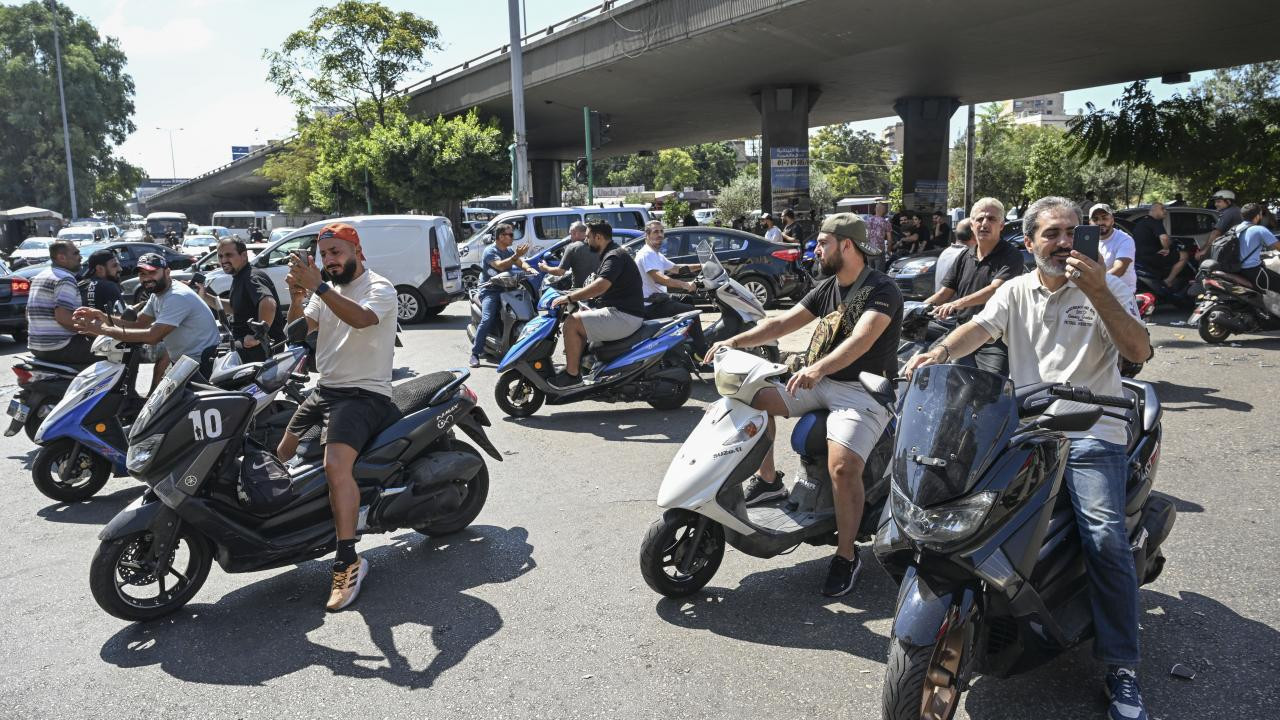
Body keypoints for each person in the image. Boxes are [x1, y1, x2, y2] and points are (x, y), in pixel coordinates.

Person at [905, 195, 1154, 720]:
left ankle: (1122, 666)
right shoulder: (1015, 290)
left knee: (1104, 537)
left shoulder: (1105, 288)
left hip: (1092, 429)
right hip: (1025, 425)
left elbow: (1138, 351)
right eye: (1052, 234)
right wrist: (940, 352)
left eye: (1072, 232)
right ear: (1031, 241)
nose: (1064, 243)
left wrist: (1098, 290)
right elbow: (980, 329)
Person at [704, 213, 902, 597]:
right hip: (819, 381)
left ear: (847, 245)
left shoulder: (882, 289)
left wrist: (818, 368)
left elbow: (862, 339)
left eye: (823, 243)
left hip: (862, 390)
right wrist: (734, 341)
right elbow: (781, 324)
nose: (816, 250)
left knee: (843, 467)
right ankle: (767, 481)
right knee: (750, 397)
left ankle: (846, 555)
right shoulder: (827, 288)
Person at [275, 222, 400, 612]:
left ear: (356, 251)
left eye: (336, 252)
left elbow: (362, 319)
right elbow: (298, 331)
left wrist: (318, 287)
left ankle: (348, 560)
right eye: (324, 254)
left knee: (335, 466)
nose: (329, 260)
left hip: (364, 394)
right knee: (282, 454)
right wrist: (297, 295)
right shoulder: (326, 289)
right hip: (326, 389)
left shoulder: (379, 287)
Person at [72, 253, 221, 381]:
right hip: (185, 362)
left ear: (167, 272)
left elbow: (152, 337)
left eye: (152, 272)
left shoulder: (176, 296)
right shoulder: (158, 294)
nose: (147, 278)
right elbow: (138, 323)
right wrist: (101, 315)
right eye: (142, 274)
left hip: (200, 364)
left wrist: (103, 330)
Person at [922, 197, 1025, 375]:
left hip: (994, 338)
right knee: (934, 372)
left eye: (991, 219)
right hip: (962, 332)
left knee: (992, 386)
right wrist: (917, 308)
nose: (984, 223)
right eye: (980, 219)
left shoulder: (1012, 255)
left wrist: (957, 303)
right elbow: (945, 292)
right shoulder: (964, 256)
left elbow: (995, 290)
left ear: (1001, 225)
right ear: (972, 225)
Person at [548, 221, 645, 387]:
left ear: (598, 237)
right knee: (580, 318)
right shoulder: (611, 253)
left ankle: (572, 375)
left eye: (588, 237)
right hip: (621, 312)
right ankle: (582, 367)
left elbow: (600, 286)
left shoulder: (614, 256)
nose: (586, 241)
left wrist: (569, 298)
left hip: (624, 316)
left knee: (571, 323)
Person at [198, 238, 284, 362]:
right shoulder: (240, 276)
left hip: (261, 348)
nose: (223, 260)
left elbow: (268, 303)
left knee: (208, 356)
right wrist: (204, 295)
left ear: (244, 255)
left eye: (229, 255)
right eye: (220, 256)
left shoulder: (251, 277)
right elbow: (235, 308)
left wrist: (258, 337)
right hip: (243, 340)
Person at [635, 220, 708, 361]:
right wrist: (685, 285)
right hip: (651, 305)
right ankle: (702, 353)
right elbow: (659, 278)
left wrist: (702, 265)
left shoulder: (655, 254)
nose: (660, 235)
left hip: (659, 298)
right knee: (692, 313)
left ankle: (686, 341)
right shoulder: (647, 254)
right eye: (656, 232)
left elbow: (676, 268)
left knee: (687, 299)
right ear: (647, 235)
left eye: (662, 231)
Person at [469, 223, 534, 367]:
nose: (512, 237)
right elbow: (500, 265)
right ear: (500, 236)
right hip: (490, 290)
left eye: (512, 234)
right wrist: (516, 255)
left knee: (528, 311)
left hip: (508, 289)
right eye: (510, 235)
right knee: (487, 319)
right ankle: (475, 353)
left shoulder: (509, 250)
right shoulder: (490, 251)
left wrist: (529, 269)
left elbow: (520, 263)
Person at [26, 240, 95, 365]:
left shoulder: (40, 276)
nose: (80, 257)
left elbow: (27, 314)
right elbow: (63, 317)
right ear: (61, 257)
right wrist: (96, 330)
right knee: (115, 353)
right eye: (76, 253)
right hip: (60, 346)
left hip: (36, 347)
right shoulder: (65, 279)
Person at [1131, 203, 1188, 289]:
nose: (1165, 211)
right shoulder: (1154, 222)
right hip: (1152, 258)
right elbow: (1164, 238)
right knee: (1184, 255)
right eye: (1162, 209)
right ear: (1154, 210)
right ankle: (1168, 281)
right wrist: (1166, 249)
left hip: (1139, 259)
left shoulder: (1141, 223)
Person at [1090, 204, 1137, 295]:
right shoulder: (1089, 240)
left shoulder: (1124, 240)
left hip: (1122, 295)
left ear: (1112, 220)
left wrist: (1094, 283)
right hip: (1099, 293)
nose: (1100, 222)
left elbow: (1119, 269)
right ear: (1090, 223)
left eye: (1104, 218)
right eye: (1095, 219)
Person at [538, 221, 599, 289]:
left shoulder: (572, 247)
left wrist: (544, 267)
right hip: (599, 289)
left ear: (576, 233)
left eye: (570, 234)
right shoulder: (599, 245)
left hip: (580, 291)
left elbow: (560, 272)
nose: (570, 237)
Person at [1236, 203, 1280, 292]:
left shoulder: (1236, 228)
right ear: (1257, 216)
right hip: (1253, 271)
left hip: (1237, 269)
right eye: (1261, 214)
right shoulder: (1259, 229)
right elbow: (1278, 246)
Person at [933, 218, 974, 294]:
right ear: (974, 234)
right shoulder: (967, 256)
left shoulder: (946, 252)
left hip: (941, 300)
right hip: (956, 301)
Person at [78, 249, 123, 315]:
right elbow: (124, 319)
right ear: (99, 268)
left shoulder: (80, 286)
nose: (120, 269)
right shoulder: (110, 286)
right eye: (115, 265)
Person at [1201, 189, 1242, 259]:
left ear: (1228, 202)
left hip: (1230, 250)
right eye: (1215, 202)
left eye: (1219, 202)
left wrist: (1204, 251)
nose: (1216, 204)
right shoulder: (1236, 210)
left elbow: (1216, 233)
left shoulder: (1228, 213)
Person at [866, 203, 892, 270]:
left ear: (875, 209)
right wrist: (889, 250)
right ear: (884, 211)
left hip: (869, 250)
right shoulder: (885, 222)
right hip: (879, 250)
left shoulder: (867, 220)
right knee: (879, 273)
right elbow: (889, 238)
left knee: (871, 271)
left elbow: (865, 235)